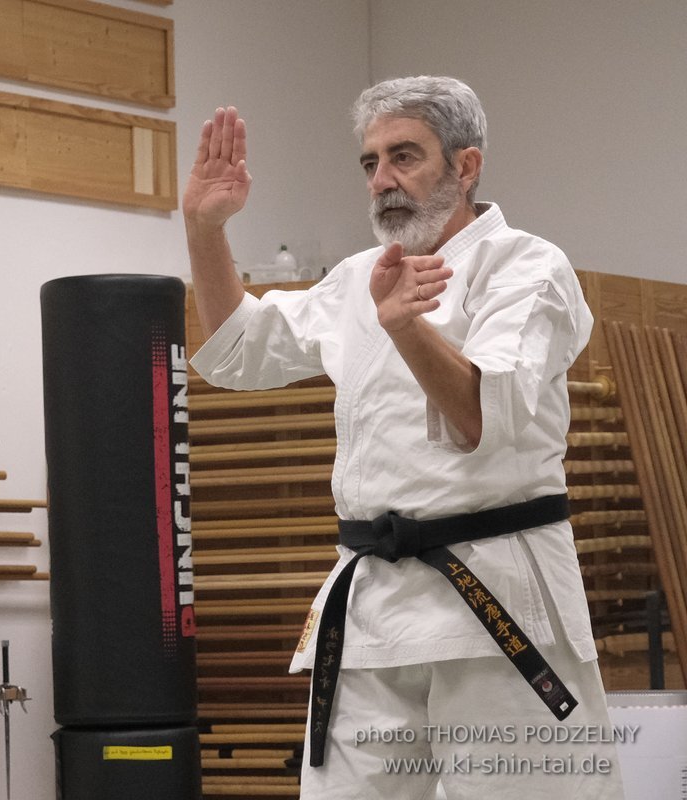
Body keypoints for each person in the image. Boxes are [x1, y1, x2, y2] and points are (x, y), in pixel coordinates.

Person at [184, 77, 625, 799]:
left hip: (498, 604)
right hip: (372, 611)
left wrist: (407, 327)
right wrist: (207, 231)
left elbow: (484, 418)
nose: (382, 181)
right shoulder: (361, 277)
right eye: (370, 163)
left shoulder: (525, 267)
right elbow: (236, 351)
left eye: (404, 157)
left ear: (467, 165)